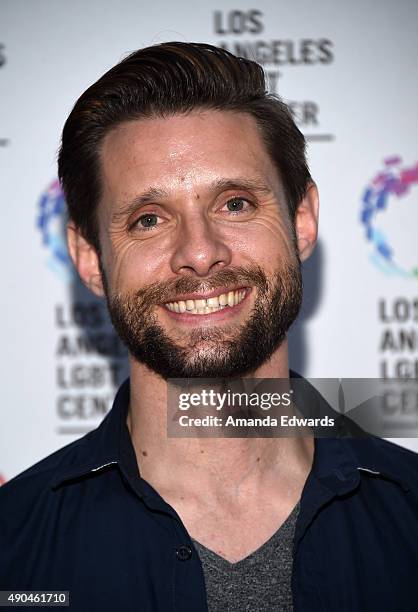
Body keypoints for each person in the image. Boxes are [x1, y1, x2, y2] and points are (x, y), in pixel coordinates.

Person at [1, 42, 418, 612]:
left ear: (301, 221)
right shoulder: (14, 546)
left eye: (236, 204)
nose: (199, 253)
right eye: (148, 219)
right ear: (90, 257)